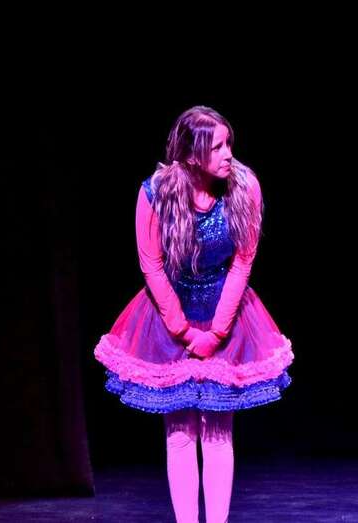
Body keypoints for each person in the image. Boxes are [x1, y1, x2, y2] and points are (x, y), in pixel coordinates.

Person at [94, 105, 294, 523]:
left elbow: (243, 262)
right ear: (190, 154)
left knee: (218, 430)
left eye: (228, 143)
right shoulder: (156, 192)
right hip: (171, 315)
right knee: (180, 431)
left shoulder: (244, 188)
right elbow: (151, 264)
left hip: (226, 313)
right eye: (216, 147)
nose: (228, 154)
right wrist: (183, 331)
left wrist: (217, 332)